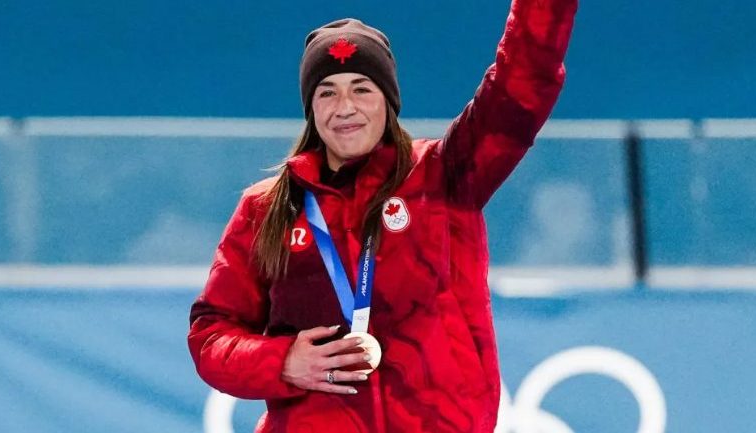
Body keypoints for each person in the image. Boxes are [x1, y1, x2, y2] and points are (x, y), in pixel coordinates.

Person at [188, 1, 577, 431]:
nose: (345, 106)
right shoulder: (268, 208)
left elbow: (523, 80)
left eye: (361, 88)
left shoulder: (443, 176)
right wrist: (283, 361)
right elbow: (211, 333)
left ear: (388, 101)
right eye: (327, 91)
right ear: (311, 108)